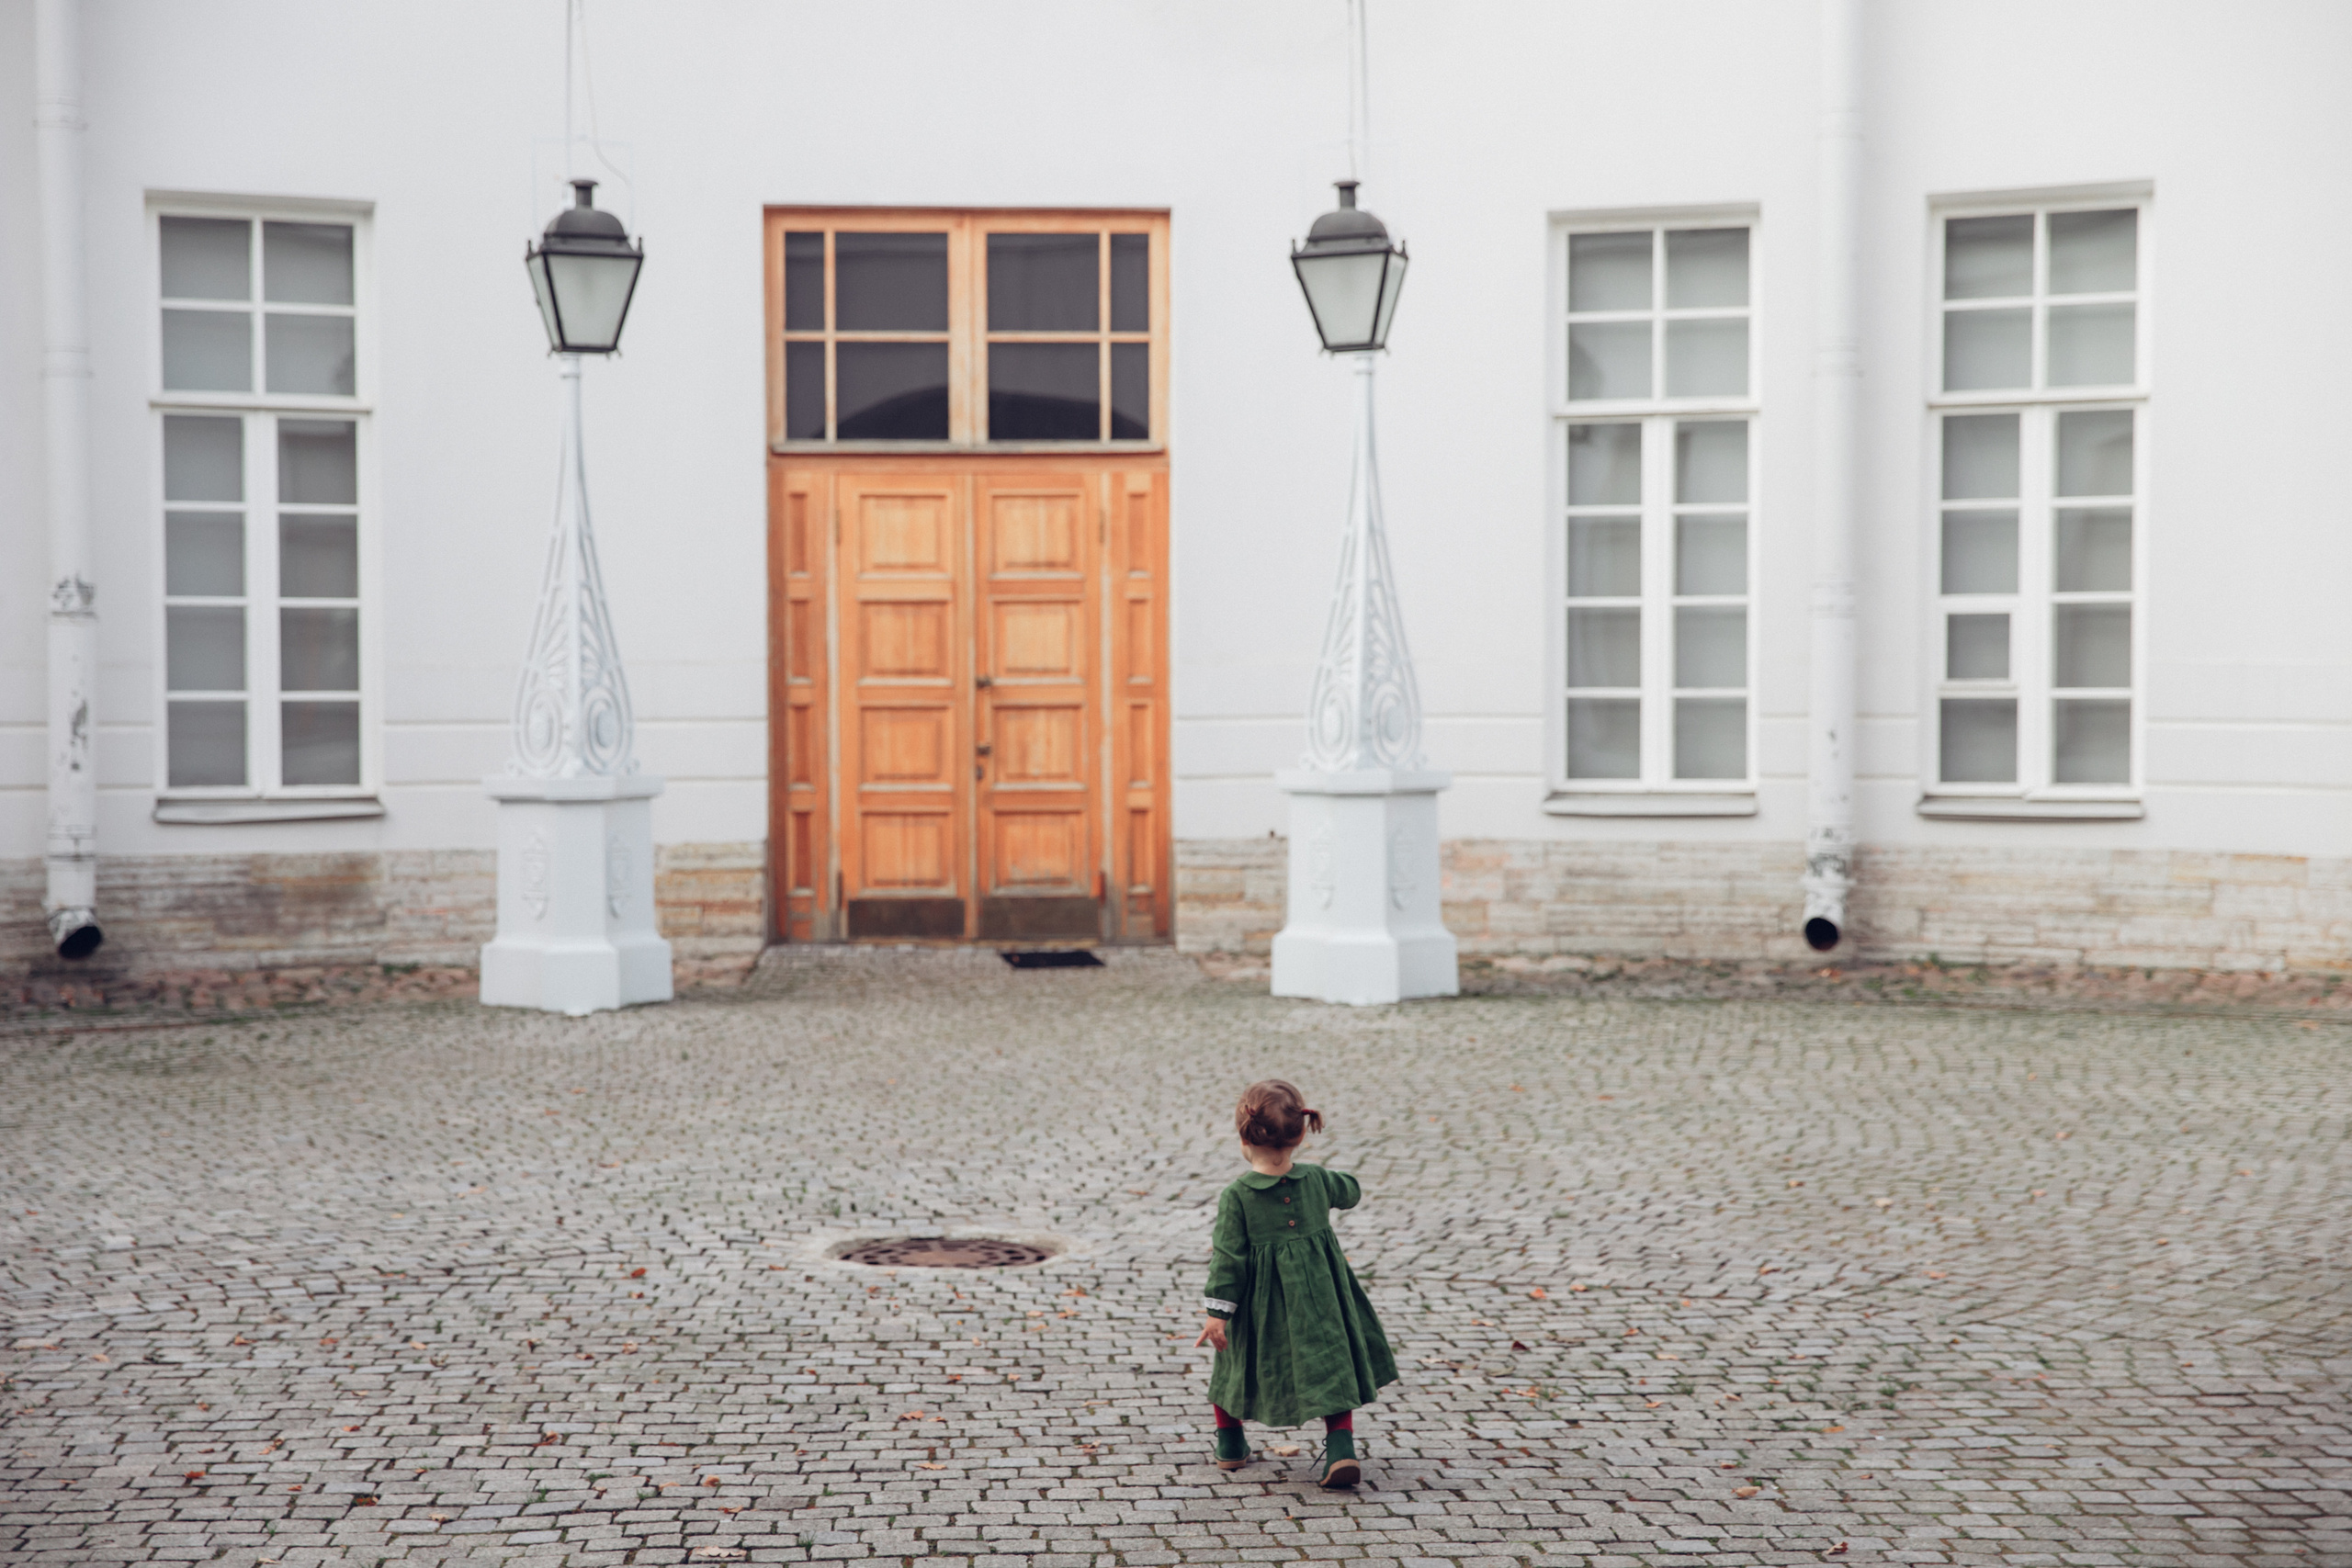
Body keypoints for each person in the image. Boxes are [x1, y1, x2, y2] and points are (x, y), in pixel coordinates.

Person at [1193, 1078, 1397, 1488]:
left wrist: (1217, 1314)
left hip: (1259, 1304)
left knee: (1236, 1362)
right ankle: (1340, 1448)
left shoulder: (1237, 1195)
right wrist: (1326, 1177)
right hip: (1322, 1297)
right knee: (1330, 1361)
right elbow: (1351, 1192)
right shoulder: (1317, 1179)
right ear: (1301, 1134)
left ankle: (1230, 1443)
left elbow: (1228, 1259)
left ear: (1244, 1137)